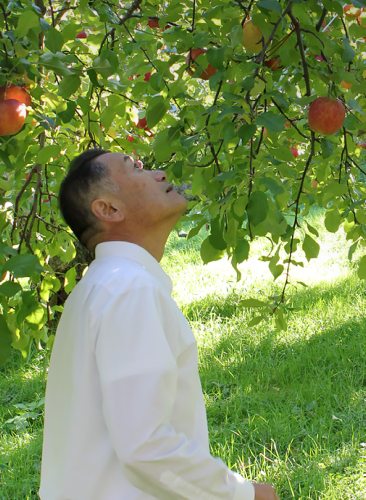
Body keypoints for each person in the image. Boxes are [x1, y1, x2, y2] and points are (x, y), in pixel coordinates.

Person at [39, 149, 278, 500]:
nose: (159, 173)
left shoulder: (99, 286)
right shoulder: (128, 289)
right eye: (135, 169)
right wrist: (245, 494)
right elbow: (144, 446)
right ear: (109, 209)